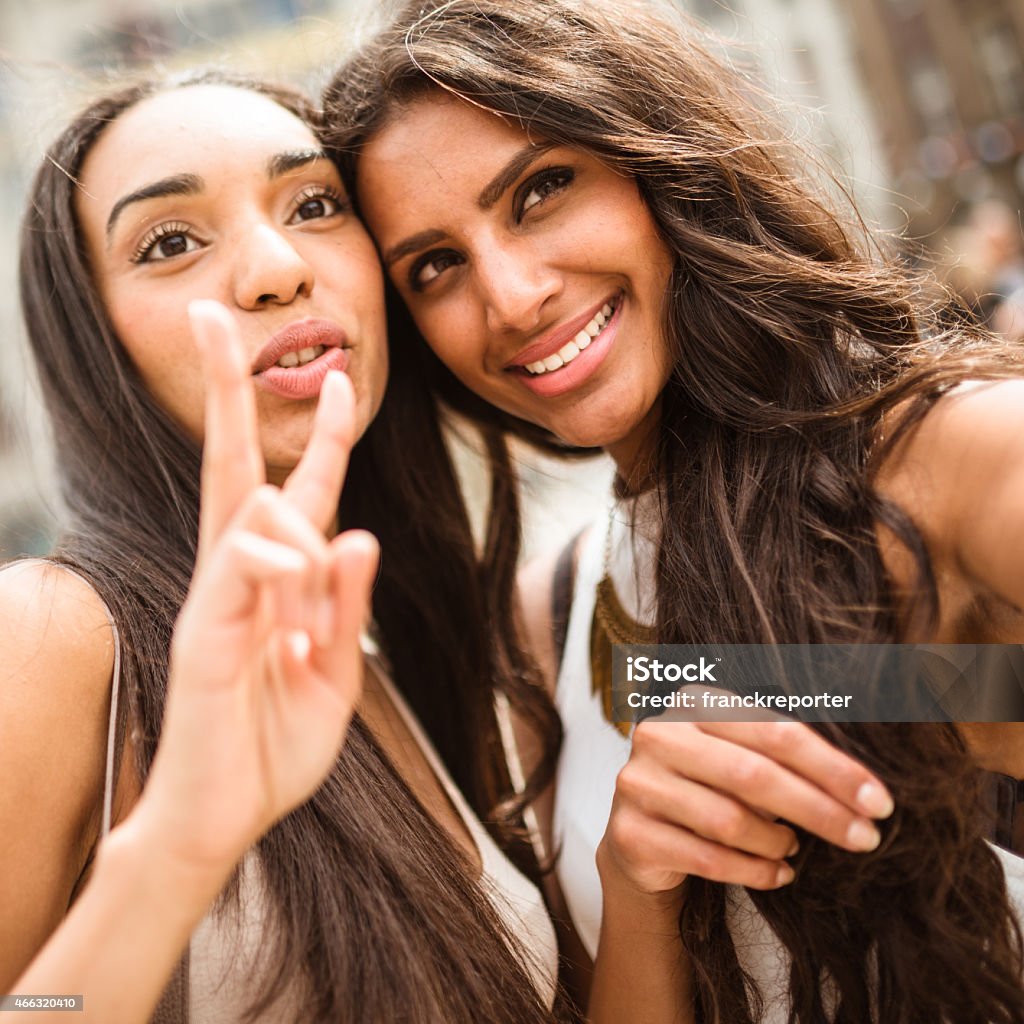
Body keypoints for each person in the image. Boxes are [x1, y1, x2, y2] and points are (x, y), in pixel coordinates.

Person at [323, 1, 1024, 1021]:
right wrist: (641, 889)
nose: (511, 297)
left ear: (659, 165)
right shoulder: (547, 619)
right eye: (435, 266)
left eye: (539, 190)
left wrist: (927, 691)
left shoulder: (946, 454)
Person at [5, 71, 560, 1022]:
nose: (276, 268)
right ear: (96, 347)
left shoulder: (416, 651)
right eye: (170, 242)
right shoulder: (49, 636)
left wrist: (638, 874)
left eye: (314, 205)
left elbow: (895, 676)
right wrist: (176, 845)